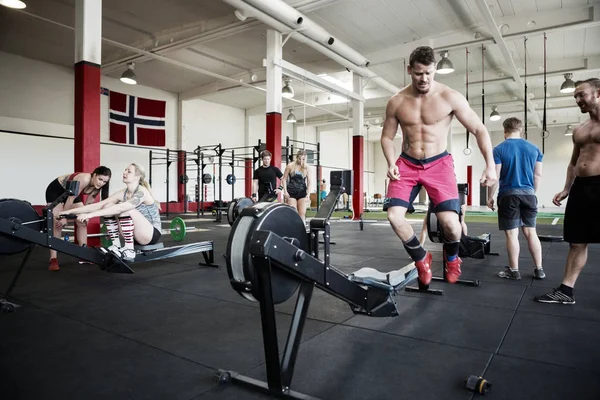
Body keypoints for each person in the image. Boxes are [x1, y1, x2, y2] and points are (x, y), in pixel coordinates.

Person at [381, 46, 497, 287]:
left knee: (452, 226)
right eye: (418, 73)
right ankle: (421, 259)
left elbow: (479, 129)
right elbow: (386, 137)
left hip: (439, 164)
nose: (424, 78)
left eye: (429, 73)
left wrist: (490, 166)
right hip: (407, 164)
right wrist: (391, 163)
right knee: (394, 216)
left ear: (435, 70)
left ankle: (452, 258)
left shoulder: (449, 97)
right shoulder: (397, 101)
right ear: (409, 70)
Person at [535, 77, 600, 305]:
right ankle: (566, 290)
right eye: (575, 97)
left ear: (598, 93)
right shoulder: (580, 129)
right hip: (582, 189)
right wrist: (566, 189)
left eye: (582, 94)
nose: (578, 100)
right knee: (577, 241)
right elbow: (573, 163)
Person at [59, 163, 162, 262]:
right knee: (107, 206)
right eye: (125, 170)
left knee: (125, 209)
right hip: (135, 234)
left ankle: (129, 250)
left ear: (137, 177)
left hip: (150, 235)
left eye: (129, 171)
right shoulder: (124, 192)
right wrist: (67, 212)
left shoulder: (142, 192)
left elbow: (121, 207)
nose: (124, 172)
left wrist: (90, 215)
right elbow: (99, 205)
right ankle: (116, 245)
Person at [486, 117, 545, 281]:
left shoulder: (498, 149)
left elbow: (495, 176)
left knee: (512, 235)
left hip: (508, 195)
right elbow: (538, 174)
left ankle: (514, 271)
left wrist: (489, 196)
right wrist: (533, 192)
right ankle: (539, 269)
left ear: (505, 131)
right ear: (521, 130)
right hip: (529, 194)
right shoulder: (535, 149)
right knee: (531, 232)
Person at [44, 166, 112, 271]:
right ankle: (53, 259)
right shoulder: (84, 179)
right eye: (100, 179)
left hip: (71, 194)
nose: (101, 183)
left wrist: (86, 215)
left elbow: (88, 204)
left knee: (82, 221)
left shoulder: (97, 187)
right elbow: (70, 198)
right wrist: (63, 217)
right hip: (56, 190)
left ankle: (83, 255)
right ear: (94, 175)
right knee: (57, 223)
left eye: (104, 181)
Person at [282, 149, 312, 224]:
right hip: (291, 192)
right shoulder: (290, 166)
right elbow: (284, 179)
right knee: (293, 212)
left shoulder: (307, 168)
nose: (301, 161)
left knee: (302, 213)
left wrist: (308, 194)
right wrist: (285, 191)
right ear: (296, 158)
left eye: (303, 159)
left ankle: (303, 229)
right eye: (299, 158)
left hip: (302, 193)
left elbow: (309, 181)